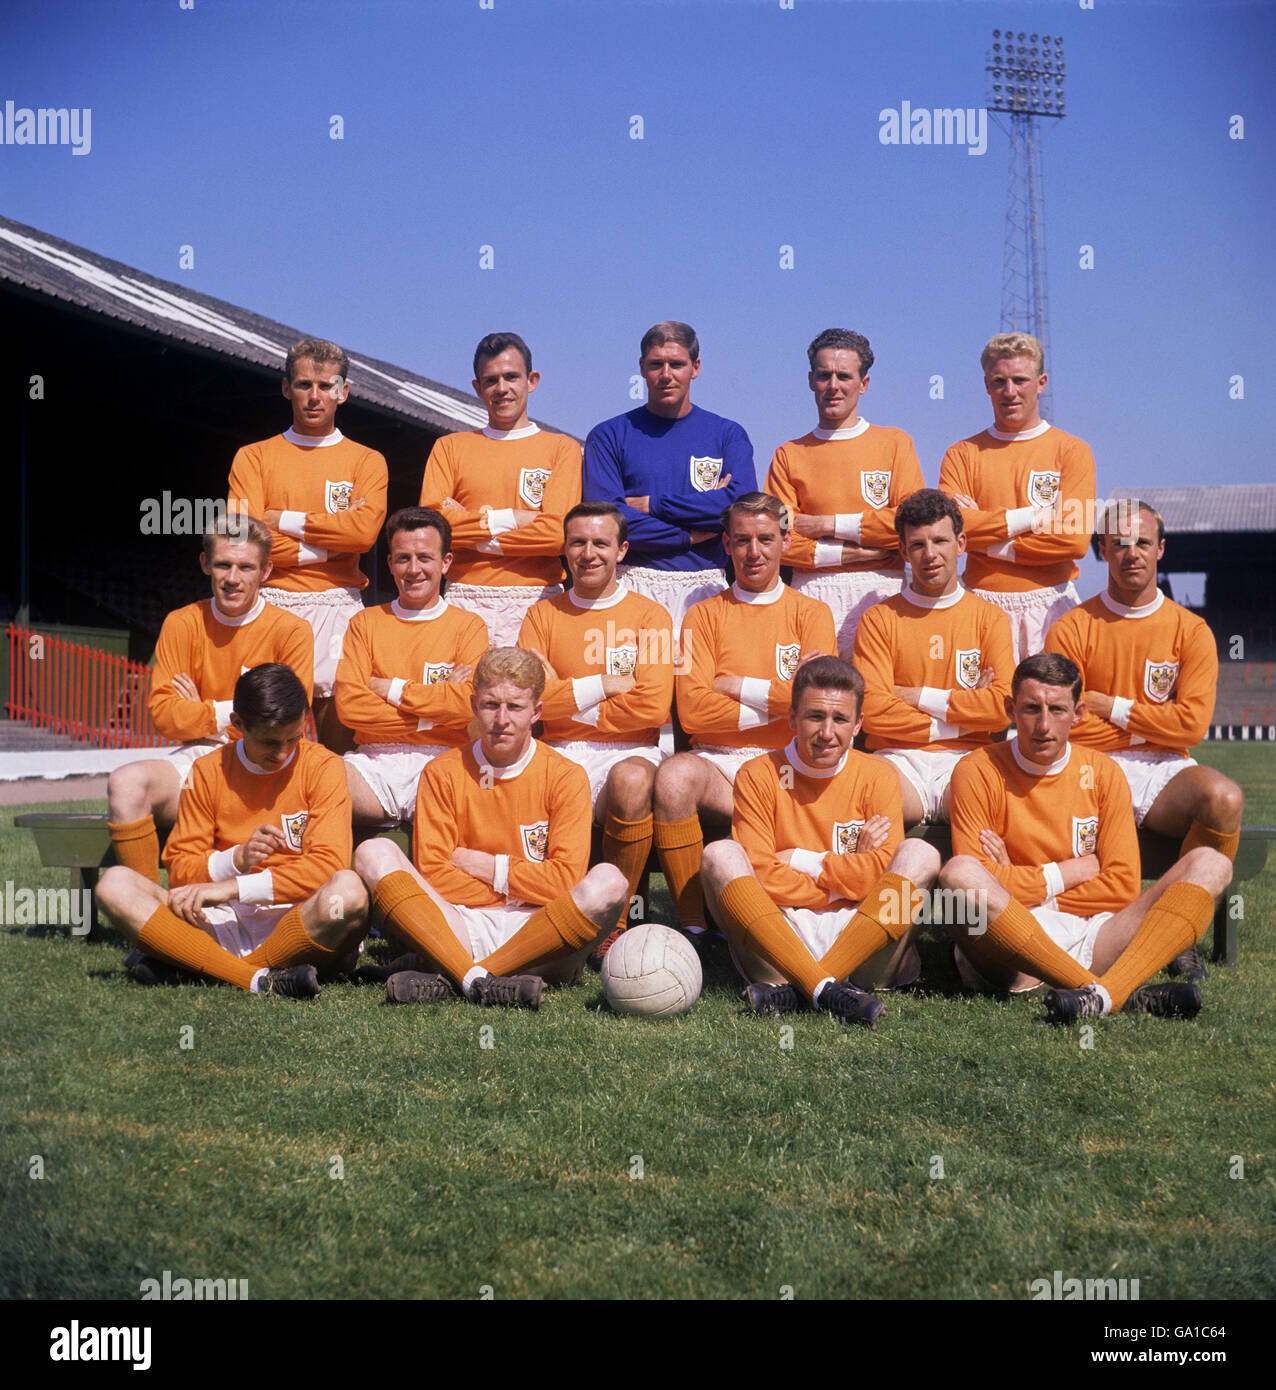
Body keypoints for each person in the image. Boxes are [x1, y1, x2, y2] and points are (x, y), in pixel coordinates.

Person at [940, 653, 1231, 1021]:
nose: (1043, 725)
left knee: (1212, 863)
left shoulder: (1105, 773)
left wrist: (1025, 886)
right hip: (1008, 948)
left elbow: (1123, 886)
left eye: (1057, 710)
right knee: (959, 875)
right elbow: (975, 878)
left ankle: (1101, 995)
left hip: (1093, 934)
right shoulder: (976, 770)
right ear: (1011, 708)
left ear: (1077, 713)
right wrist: (1067, 873)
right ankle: (1115, 993)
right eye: (1031, 708)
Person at [352, 648, 630, 1008]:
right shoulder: (442, 773)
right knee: (372, 852)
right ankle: (479, 978)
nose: (501, 719)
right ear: (472, 705)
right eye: (490, 705)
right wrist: (524, 884)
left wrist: (487, 866)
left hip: (541, 931)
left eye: (514, 707)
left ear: (537, 712)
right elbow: (435, 876)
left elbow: (564, 882)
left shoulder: (566, 776)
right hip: (460, 926)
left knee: (611, 881)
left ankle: (458, 975)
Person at [1044, 499, 1241, 979]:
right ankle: (1093, 927)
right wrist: (1154, 720)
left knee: (1224, 799)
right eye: (1119, 544)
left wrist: (1111, 706)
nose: (1132, 553)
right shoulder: (1073, 626)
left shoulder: (1191, 631)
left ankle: (1177, 932)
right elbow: (1063, 721)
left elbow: (1191, 726)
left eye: (1142, 543)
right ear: (1103, 552)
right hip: (1089, 765)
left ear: (1161, 549)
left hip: (1164, 768)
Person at [96, 663, 366, 999]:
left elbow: (328, 866)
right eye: (270, 741)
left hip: (297, 920)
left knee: (349, 891)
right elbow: (181, 869)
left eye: (294, 738)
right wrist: (235, 859)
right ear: (237, 725)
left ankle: (202, 964)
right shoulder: (207, 770)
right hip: (223, 920)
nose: (282, 752)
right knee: (114, 884)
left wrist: (232, 887)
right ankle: (259, 978)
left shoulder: (324, 766)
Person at [700, 657, 941, 1026]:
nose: (827, 732)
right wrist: (848, 879)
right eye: (815, 717)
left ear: (858, 724)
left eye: (840, 719)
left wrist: (801, 860)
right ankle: (828, 992)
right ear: (793, 717)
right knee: (720, 855)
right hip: (779, 934)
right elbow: (761, 875)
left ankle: (800, 991)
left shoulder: (879, 776)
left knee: (920, 854)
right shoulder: (759, 774)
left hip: (865, 939)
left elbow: (883, 879)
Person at [652, 493, 836, 940]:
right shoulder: (701, 615)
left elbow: (817, 710)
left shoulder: (812, 613)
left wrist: (737, 685)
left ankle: (799, 916)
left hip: (786, 762)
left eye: (765, 539)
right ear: (727, 545)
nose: (754, 552)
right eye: (742, 540)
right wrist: (783, 701)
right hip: (720, 763)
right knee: (674, 777)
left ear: (785, 542)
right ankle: (694, 927)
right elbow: (694, 713)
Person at [107, 517, 313, 882]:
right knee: (126, 783)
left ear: (265, 571)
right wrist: (239, 712)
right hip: (201, 760)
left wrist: (203, 711)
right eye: (223, 565)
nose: (233, 578)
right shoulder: (182, 623)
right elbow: (164, 716)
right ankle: (151, 912)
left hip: (266, 763)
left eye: (246, 567)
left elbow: (285, 721)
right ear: (205, 564)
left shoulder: (292, 631)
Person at [517, 500, 674, 938]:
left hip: (632, 749)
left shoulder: (653, 616)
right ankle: (537, 913)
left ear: (621, 550)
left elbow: (653, 706)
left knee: (630, 780)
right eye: (578, 543)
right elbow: (531, 703)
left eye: (601, 543)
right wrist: (605, 684)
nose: (589, 554)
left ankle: (618, 922)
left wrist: (565, 693)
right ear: (564, 550)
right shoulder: (540, 614)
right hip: (558, 750)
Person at [228, 337, 388, 749]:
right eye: (303, 385)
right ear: (286, 388)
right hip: (273, 604)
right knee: (270, 732)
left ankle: (336, 814)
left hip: (338, 604)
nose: (315, 397)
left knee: (341, 738)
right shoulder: (254, 458)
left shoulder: (366, 460)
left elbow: (364, 535)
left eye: (327, 386)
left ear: (344, 392)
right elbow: (246, 542)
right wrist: (330, 549)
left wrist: (282, 520)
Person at [582, 320, 757, 637]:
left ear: (695, 367)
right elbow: (607, 521)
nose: (666, 375)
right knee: (630, 686)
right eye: (655, 365)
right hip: (632, 583)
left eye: (676, 364)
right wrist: (690, 534)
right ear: (641, 368)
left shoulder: (727, 434)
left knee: (701, 687)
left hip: (706, 587)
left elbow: (741, 508)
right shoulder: (608, 435)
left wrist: (654, 504)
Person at [852, 489, 1014, 825]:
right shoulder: (879, 619)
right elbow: (873, 714)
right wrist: (966, 714)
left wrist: (914, 696)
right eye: (918, 545)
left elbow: (1001, 709)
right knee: (864, 805)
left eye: (940, 541)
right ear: (903, 551)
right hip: (897, 759)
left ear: (961, 543)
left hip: (968, 758)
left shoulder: (990, 618)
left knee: (999, 808)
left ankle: (972, 877)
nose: (930, 555)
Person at [765, 328, 925, 656]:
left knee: (879, 696)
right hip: (811, 592)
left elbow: (909, 525)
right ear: (811, 380)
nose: (833, 386)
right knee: (816, 698)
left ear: (863, 384)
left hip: (884, 589)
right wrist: (849, 554)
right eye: (824, 376)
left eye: (844, 376)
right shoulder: (789, 454)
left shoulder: (895, 444)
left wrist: (826, 524)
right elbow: (779, 541)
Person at [938, 332, 1095, 661]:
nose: (1009, 392)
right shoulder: (962, 454)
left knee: (1050, 710)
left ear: (1041, 382)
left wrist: (984, 539)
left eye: (1020, 380)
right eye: (999, 381)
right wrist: (1035, 517)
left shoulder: (1072, 452)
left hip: (1052, 602)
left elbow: (1074, 541)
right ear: (986, 385)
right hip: (981, 601)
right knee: (985, 709)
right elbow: (950, 532)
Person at [419, 332, 580, 647]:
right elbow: (431, 531)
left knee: (534, 695)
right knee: (465, 695)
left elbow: (557, 535)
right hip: (464, 597)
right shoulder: (449, 448)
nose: (502, 388)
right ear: (478, 388)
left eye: (511, 377)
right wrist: (513, 518)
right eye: (491, 380)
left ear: (531, 380)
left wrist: (470, 531)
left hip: (538, 597)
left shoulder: (562, 448)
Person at [334, 507, 490, 825]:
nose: (414, 569)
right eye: (404, 558)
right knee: (319, 778)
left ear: (446, 562)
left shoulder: (469, 626)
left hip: (442, 761)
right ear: (390, 563)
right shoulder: (364, 623)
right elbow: (350, 708)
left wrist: (390, 688)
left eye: (425, 557)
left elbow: (466, 707)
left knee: (486, 786)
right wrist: (433, 712)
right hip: (373, 762)